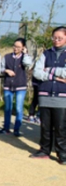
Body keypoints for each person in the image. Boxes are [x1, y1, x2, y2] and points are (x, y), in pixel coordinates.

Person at [30, 26, 66, 164]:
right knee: (45, 126)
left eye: (60, 38)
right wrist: (57, 76)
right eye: (54, 38)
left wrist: (50, 70)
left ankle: (62, 154)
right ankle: (44, 150)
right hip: (45, 95)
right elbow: (37, 72)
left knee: (61, 127)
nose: (56, 40)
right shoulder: (46, 54)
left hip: (62, 97)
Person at [0, 38, 32, 136]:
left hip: (20, 86)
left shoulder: (25, 57)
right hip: (8, 85)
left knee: (18, 109)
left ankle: (16, 129)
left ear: (23, 48)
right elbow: (0, 68)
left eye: (18, 47)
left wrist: (25, 54)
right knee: (8, 108)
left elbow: (28, 64)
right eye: (14, 46)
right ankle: (6, 128)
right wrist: (6, 71)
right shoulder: (7, 57)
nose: (15, 48)